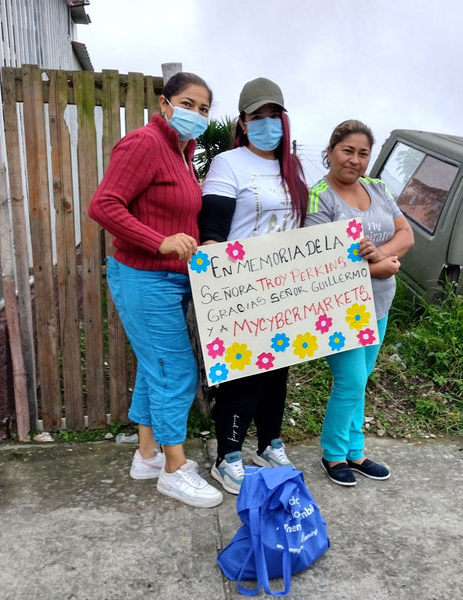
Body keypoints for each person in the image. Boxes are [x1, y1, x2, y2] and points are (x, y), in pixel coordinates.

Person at [88, 72, 223, 508]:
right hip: (143, 277)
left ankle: (147, 455)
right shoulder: (144, 143)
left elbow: (172, 213)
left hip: (170, 278)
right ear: (164, 103)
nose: (196, 115)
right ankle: (174, 469)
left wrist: (196, 241)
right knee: (176, 372)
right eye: (188, 104)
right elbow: (103, 204)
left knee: (155, 367)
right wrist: (158, 241)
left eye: (204, 109)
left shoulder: (183, 153)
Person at [199, 77, 308, 495]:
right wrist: (214, 279)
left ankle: (269, 444)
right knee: (244, 375)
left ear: (284, 119)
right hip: (241, 289)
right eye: (255, 117)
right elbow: (212, 228)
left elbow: (307, 227)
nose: (265, 124)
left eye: (272, 116)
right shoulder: (229, 164)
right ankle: (227, 457)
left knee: (278, 370)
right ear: (242, 123)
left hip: (285, 287)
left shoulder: (293, 167)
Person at [304, 119, 414, 486]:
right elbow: (318, 260)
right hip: (340, 308)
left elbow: (406, 234)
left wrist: (379, 257)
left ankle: (356, 451)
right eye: (347, 150)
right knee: (349, 380)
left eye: (363, 153)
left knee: (361, 380)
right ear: (331, 151)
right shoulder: (319, 196)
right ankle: (333, 454)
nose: (354, 159)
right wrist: (376, 268)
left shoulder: (378, 188)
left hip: (380, 303)